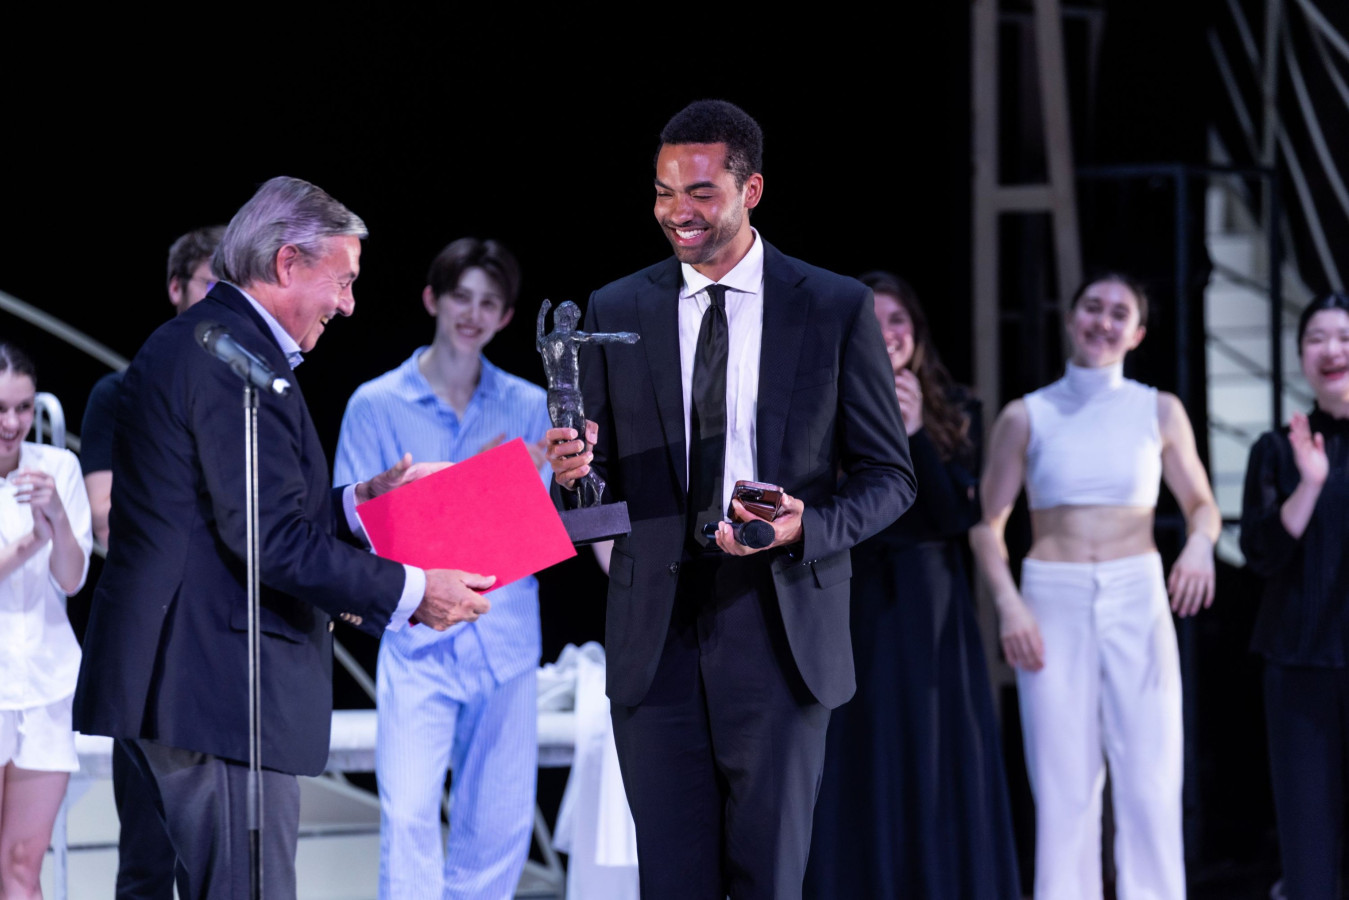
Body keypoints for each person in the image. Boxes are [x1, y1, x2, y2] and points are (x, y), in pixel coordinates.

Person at [72, 176, 496, 900]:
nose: (349, 304)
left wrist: (360, 504)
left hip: (189, 683)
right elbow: (268, 539)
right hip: (215, 691)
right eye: (344, 280)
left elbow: (227, 516)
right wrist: (415, 590)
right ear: (288, 262)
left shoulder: (213, 347)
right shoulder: (229, 360)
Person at [545, 99, 916, 900]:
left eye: (699, 192)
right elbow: (590, 497)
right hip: (655, 636)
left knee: (767, 880)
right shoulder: (616, 309)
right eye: (662, 192)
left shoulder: (832, 306)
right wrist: (571, 474)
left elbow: (890, 477)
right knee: (671, 883)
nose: (676, 211)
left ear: (751, 191)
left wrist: (808, 526)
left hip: (779, 625)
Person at [970, 273, 1220, 899]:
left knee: (1151, 780)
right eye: (1092, 307)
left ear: (1137, 333)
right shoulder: (1026, 415)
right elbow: (986, 528)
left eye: (1119, 313)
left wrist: (1199, 545)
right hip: (1051, 600)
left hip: (1138, 594)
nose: (1102, 322)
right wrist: (1010, 606)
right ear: (1071, 316)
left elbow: (1203, 506)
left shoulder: (1158, 410)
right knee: (1063, 787)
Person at [333, 237, 551, 900]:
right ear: (433, 299)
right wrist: (477, 481)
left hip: (504, 637)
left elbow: (532, 529)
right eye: (461, 297)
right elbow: (356, 527)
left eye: (489, 303)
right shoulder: (375, 403)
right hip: (417, 637)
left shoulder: (529, 405)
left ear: (505, 316)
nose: (472, 313)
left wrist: (500, 485)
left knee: (499, 827)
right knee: (407, 820)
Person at [805, 272, 1019, 899]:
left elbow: (955, 518)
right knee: (861, 747)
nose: (887, 332)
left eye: (898, 320)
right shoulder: (822, 402)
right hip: (852, 596)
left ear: (917, 333)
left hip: (930, 601)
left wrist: (919, 430)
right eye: (872, 320)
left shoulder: (957, 409)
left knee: (932, 745)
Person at [80, 223, 224, 900]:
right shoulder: (122, 392)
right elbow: (105, 520)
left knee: (219, 855)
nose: (222, 299)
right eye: (209, 283)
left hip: (221, 647)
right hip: (147, 645)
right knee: (147, 854)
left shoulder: (246, 399)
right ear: (175, 288)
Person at [1240, 292, 1349, 899]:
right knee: (1309, 854)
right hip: (1299, 667)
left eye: (1344, 337)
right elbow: (1260, 555)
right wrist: (1308, 486)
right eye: (1316, 338)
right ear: (1302, 354)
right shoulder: (1277, 449)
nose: (1332, 350)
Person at [0, 343, 92, 900]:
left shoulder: (58, 468)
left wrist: (56, 515)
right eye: (0, 409)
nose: (12, 423)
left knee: (21, 865)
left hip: (45, 685)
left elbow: (73, 579)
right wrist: (34, 539)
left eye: (23, 408)